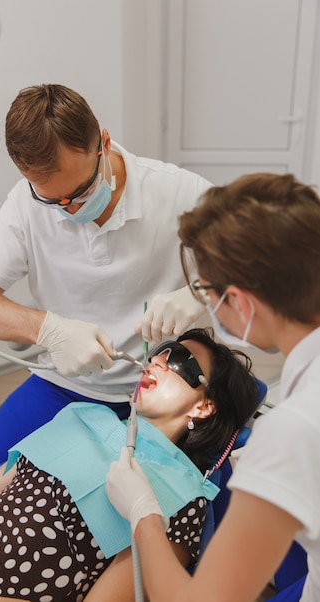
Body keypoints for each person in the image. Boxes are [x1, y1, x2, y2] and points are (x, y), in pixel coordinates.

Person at [0, 83, 212, 498]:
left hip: (160, 396)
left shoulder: (179, 192)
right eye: (54, 201)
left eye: (81, 191)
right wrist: (49, 329)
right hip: (63, 388)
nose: (70, 209)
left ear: (103, 143)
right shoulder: (24, 205)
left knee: (213, 501)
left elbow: (268, 259)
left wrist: (199, 290)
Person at [0, 329, 259, 602]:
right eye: (160, 352)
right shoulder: (81, 416)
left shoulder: (183, 502)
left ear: (204, 407)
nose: (158, 361)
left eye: (181, 361)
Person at [106, 172, 320, 602]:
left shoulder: (291, 431)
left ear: (240, 301)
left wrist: (143, 513)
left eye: (204, 292)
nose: (159, 361)